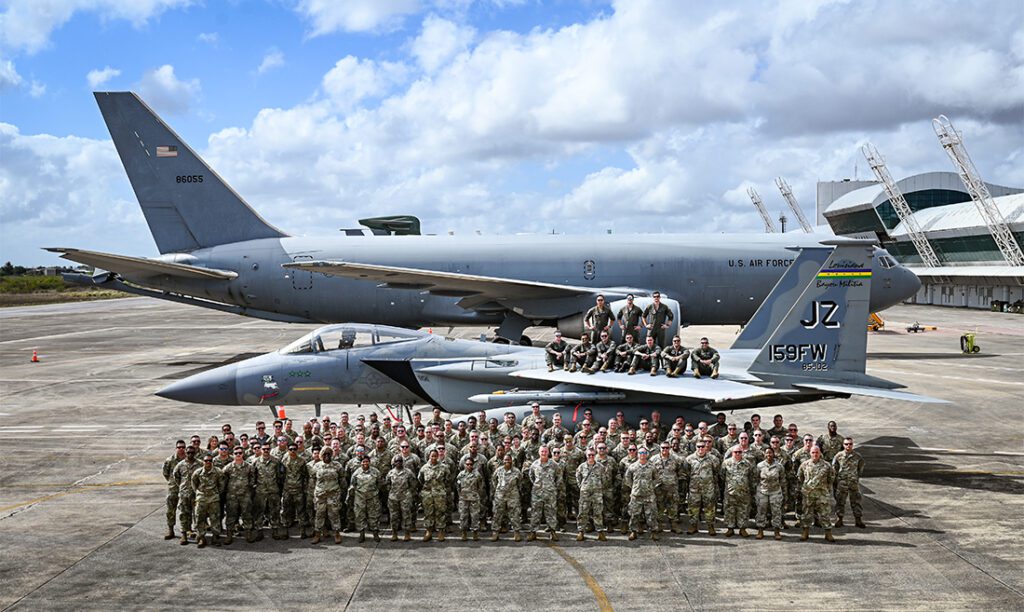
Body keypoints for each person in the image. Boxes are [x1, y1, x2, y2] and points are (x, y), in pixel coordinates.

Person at [797, 446, 836, 541]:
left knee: (825, 514)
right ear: (810, 453)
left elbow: (831, 478)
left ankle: (828, 533)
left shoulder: (826, 465)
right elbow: (800, 477)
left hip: (821, 494)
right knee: (806, 514)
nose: (815, 454)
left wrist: (825, 487)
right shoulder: (804, 464)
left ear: (820, 453)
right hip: (808, 494)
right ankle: (805, 532)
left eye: (817, 452)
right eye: (813, 452)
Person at [624, 448, 660, 540]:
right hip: (636, 495)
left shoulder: (652, 466)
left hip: (649, 495)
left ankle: (653, 532)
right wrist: (634, 487)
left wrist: (651, 486)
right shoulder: (632, 466)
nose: (642, 454)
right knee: (634, 514)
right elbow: (627, 478)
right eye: (640, 453)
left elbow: (657, 478)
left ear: (647, 454)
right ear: (638, 454)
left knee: (651, 514)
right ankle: (633, 531)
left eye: (644, 452)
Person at [221, 446, 255, 544]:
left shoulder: (249, 467)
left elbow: (252, 479)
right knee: (231, 516)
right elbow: (223, 480)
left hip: (245, 495)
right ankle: (229, 535)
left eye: (240, 453)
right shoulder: (228, 467)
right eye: (236, 453)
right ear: (233, 455)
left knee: (247, 515)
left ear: (243, 454)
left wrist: (249, 489)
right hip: (232, 496)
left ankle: (248, 533)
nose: (238, 455)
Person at [311, 447, 345, 544]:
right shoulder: (316, 466)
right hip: (320, 495)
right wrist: (314, 492)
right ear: (321, 456)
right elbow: (313, 480)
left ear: (331, 455)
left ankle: (337, 534)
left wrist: (342, 492)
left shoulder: (337, 466)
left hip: (333, 494)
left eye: (328, 454)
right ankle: (317, 534)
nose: (326, 456)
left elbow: (342, 479)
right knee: (319, 514)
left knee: (334, 514)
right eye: (324, 455)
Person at [251, 442, 283, 542]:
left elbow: (280, 476)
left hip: (273, 490)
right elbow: (253, 476)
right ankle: (259, 531)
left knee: (274, 511)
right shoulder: (256, 462)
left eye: (267, 449)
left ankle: (275, 530)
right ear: (261, 450)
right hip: (261, 491)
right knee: (259, 512)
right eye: (264, 449)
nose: (266, 451)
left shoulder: (276, 461)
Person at [527, 446, 559, 541]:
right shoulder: (534, 464)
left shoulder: (554, 464)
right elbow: (531, 476)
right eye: (542, 451)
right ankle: (533, 532)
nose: (544, 453)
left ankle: (552, 532)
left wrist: (552, 487)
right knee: (535, 513)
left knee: (551, 512)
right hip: (537, 493)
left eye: (545, 451)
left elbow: (559, 477)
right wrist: (538, 486)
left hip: (550, 493)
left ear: (548, 452)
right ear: (539, 452)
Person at [832, 438, 866, 528]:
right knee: (840, 501)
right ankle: (839, 519)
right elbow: (834, 467)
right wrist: (837, 479)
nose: (848, 446)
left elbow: (861, 467)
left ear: (852, 445)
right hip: (842, 482)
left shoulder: (857, 456)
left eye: (850, 444)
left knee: (856, 501)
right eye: (846, 444)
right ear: (843, 445)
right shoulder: (838, 456)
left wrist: (855, 476)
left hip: (853, 482)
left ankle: (858, 520)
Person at [720, 447, 754, 537]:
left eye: (739, 452)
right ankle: (730, 528)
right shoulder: (726, 463)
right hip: (730, 492)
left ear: (742, 453)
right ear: (732, 453)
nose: (737, 454)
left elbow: (751, 477)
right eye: (736, 452)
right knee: (729, 510)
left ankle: (742, 529)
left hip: (744, 492)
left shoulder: (747, 463)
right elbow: (722, 476)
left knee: (744, 510)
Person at [192, 454, 224, 548]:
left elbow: (222, 485)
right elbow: (194, 483)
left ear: (212, 461)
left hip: (214, 498)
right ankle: (201, 537)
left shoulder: (218, 472)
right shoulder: (198, 472)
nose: (208, 462)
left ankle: (215, 537)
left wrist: (216, 493)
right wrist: (199, 493)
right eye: (206, 461)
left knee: (215, 518)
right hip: (201, 498)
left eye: (210, 461)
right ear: (203, 462)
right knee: (199, 518)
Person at [686, 441, 718, 535]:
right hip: (694, 489)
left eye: (702, 446)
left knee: (710, 508)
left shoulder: (713, 459)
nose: (700, 449)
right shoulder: (689, 459)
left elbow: (716, 472)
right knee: (693, 508)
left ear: (706, 447)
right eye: (698, 446)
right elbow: (686, 473)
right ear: (695, 447)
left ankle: (710, 526)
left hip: (708, 488)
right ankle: (693, 526)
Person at [575, 449, 607, 541]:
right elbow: (578, 478)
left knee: (598, 513)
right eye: (589, 455)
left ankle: (600, 532)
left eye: (592, 455)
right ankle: (581, 531)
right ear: (586, 456)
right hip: (585, 493)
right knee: (583, 512)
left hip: (597, 493)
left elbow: (604, 479)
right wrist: (582, 487)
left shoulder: (600, 467)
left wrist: (599, 487)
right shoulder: (581, 467)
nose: (591, 457)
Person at [651, 442, 683, 533]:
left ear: (669, 448)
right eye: (663, 448)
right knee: (659, 506)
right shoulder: (653, 459)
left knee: (673, 506)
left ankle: (673, 525)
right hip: (658, 488)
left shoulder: (675, 459)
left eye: (666, 448)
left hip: (671, 487)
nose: (664, 450)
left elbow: (680, 471)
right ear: (660, 448)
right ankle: (659, 524)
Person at [491, 453, 523, 541]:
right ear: (503, 461)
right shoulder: (498, 470)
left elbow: (520, 483)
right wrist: (499, 490)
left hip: (513, 496)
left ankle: (516, 533)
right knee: (497, 514)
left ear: (512, 461)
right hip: (500, 496)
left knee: (515, 514)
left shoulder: (517, 471)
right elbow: (494, 481)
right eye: (505, 460)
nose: (507, 462)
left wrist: (515, 491)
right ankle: (495, 533)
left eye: (508, 460)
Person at [755, 447, 786, 540]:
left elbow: (783, 480)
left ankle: (777, 531)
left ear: (774, 454)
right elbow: (756, 479)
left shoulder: (779, 466)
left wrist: (784, 493)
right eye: (767, 453)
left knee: (776, 512)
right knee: (761, 511)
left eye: (770, 453)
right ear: (764, 454)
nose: (769, 455)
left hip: (775, 492)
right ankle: (760, 530)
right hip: (762, 492)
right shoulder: (759, 466)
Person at [349, 456, 382, 542]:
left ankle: (375, 533)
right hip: (360, 497)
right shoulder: (356, 473)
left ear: (369, 462)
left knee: (374, 515)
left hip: (373, 496)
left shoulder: (375, 472)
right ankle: (361, 533)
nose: (365, 463)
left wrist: (374, 491)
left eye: (367, 461)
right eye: (363, 462)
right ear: (361, 463)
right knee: (360, 515)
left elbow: (379, 483)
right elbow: (353, 484)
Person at [419, 449, 449, 542]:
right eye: (432, 456)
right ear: (429, 456)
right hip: (428, 494)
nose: (434, 458)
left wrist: (441, 489)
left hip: (439, 494)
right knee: (428, 513)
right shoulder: (424, 468)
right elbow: (420, 479)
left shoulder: (443, 467)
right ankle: (428, 532)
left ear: (438, 456)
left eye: (435, 456)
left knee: (440, 512)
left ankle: (440, 531)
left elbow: (448, 479)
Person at [385, 457, 418, 541]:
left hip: (405, 497)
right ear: (394, 463)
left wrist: (409, 494)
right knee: (394, 516)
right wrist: (392, 492)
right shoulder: (391, 473)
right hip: (393, 498)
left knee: (406, 516)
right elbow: (387, 484)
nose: (398, 463)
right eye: (396, 461)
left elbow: (413, 484)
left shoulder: (408, 472)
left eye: (400, 461)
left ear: (402, 462)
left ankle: (407, 534)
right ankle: (394, 533)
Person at [172, 447, 200, 545]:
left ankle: (199, 535)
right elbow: (176, 477)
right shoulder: (180, 465)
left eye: (192, 453)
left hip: (196, 494)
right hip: (184, 493)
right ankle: (184, 534)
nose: (190, 454)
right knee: (184, 514)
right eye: (188, 453)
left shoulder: (200, 464)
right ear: (186, 453)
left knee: (198, 515)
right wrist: (182, 486)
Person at [162, 440, 187, 540]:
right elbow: (165, 473)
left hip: (185, 489)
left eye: (183, 447)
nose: (181, 449)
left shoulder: (188, 458)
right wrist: (172, 483)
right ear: (176, 448)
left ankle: (185, 531)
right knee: (170, 510)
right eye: (179, 447)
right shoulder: (170, 460)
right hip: (173, 489)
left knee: (184, 511)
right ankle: (170, 529)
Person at [456, 457, 484, 540]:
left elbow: (480, 486)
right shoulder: (461, 475)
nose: (469, 466)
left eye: (470, 464)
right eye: (467, 464)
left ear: (473, 465)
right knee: (463, 516)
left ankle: (475, 532)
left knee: (475, 516)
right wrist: (461, 495)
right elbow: (458, 487)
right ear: (464, 465)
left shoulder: (477, 475)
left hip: (474, 498)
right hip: (463, 499)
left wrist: (475, 494)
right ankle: (464, 532)